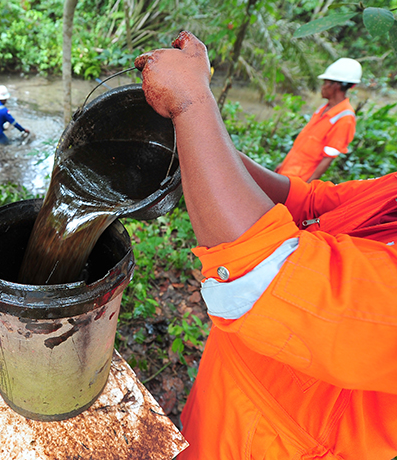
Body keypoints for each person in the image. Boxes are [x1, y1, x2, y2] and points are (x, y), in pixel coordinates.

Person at [135, 32, 396, 459]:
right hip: (227, 403)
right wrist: (202, 141)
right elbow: (307, 201)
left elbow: (260, 276)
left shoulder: (343, 117)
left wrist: (192, 107)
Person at [275, 58, 362, 182]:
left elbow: (328, 157)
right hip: (287, 172)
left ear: (336, 85)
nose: (322, 87)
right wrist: (283, 165)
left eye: (325, 82)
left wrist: (308, 186)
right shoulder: (323, 109)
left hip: (299, 180)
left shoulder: (345, 118)